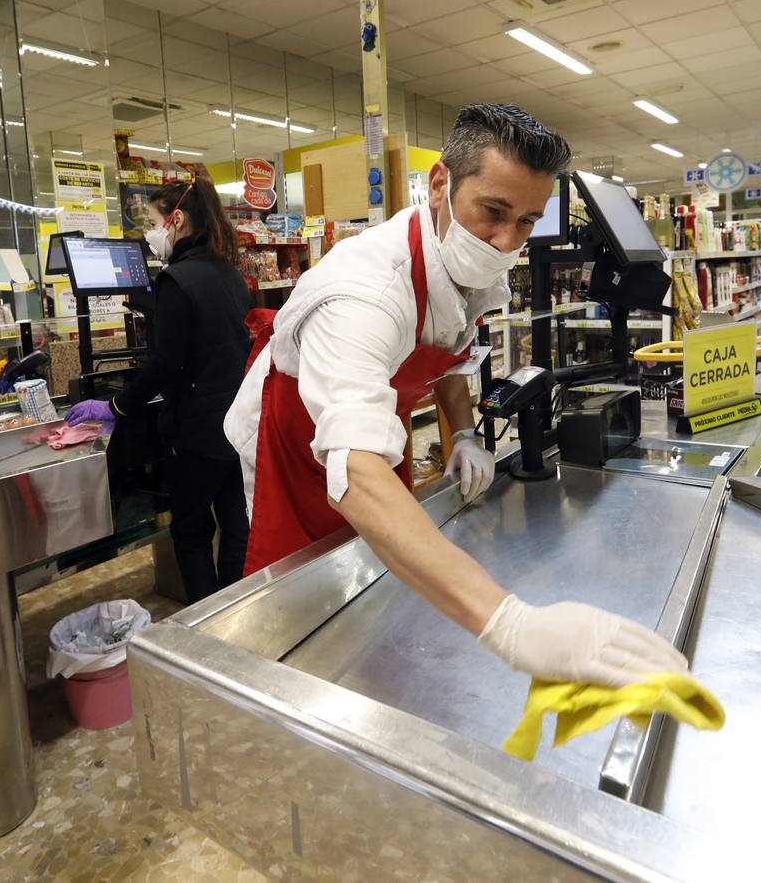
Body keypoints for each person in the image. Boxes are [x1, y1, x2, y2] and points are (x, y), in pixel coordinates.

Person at [224, 104, 687, 689]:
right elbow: (354, 470)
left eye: (526, 222)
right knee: (304, 621)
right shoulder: (363, 294)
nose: (505, 240)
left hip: (373, 434)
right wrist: (510, 624)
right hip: (294, 445)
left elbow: (449, 350)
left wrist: (464, 433)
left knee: (376, 587)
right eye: (492, 211)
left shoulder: (463, 263)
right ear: (440, 183)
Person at [66, 179, 252, 603]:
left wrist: (115, 405)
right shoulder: (229, 273)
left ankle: (205, 621)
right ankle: (237, 613)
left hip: (196, 430)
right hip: (238, 421)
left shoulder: (176, 279)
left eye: (152, 222)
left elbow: (166, 365)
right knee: (236, 524)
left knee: (190, 529)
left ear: (177, 219)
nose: (151, 233)